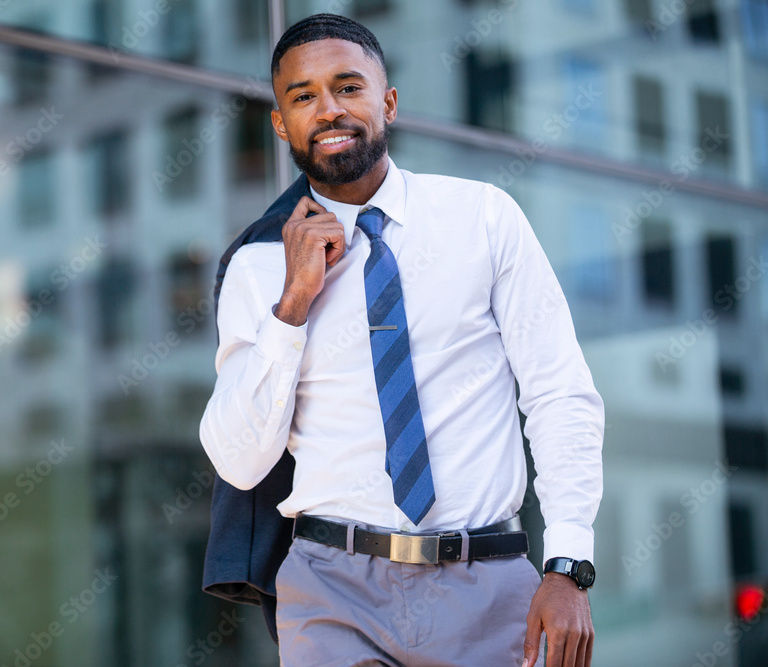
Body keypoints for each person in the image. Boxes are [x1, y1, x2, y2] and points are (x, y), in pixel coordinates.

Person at [199, 12, 604, 667]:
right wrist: (291, 306)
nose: (327, 109)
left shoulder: (483, 219)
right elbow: (240, 460)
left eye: (347, 87)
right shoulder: (257, 268)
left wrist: (568, 562)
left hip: (488, 584)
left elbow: (559, 391)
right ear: (281, 124)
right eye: (302, 96)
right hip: (333, 588)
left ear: (387, 102)